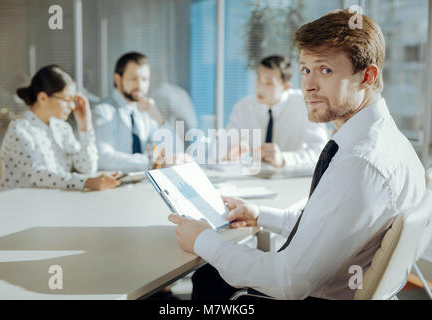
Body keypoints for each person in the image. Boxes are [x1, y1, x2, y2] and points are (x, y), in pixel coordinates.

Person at [168, 9, 426, 300]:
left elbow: (288, 282)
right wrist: (261, 215)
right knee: (212, 277)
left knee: (208, 280)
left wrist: (202, 239)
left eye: (325, 69)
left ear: (367, 76)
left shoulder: (360, 163)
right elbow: (330, 230)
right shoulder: (386, 140)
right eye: (305, 69)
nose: (309, 84)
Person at [0, 65, 120, 192]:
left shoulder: (62, 128)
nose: (72, 106)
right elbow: (37, 174)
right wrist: (86, 182)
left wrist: (85, 127)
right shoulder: (19, 129)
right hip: (19, 204)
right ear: (43, 98)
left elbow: (87, 167)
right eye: (67, 99)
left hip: (52, 202)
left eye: (73, 100)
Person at [224, 55, 328, 169]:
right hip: (251, 179)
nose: (259, 87)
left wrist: (284, 159)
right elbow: (224, 147)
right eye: (258, 79)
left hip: (292, 180)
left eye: (268, 83)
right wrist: (230, 152)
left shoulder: (306, 105)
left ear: (286, 87)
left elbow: (319, 151)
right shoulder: (243, 107)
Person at [93, 52, 183, 172]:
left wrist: (158, 118)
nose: (140, 85)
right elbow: (102, 158)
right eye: (133, 79)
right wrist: (150, 162)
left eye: (144, 79)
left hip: (143, 183)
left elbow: (176, 151)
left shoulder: (145, 112)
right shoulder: (104, 111)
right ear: (117, 79)